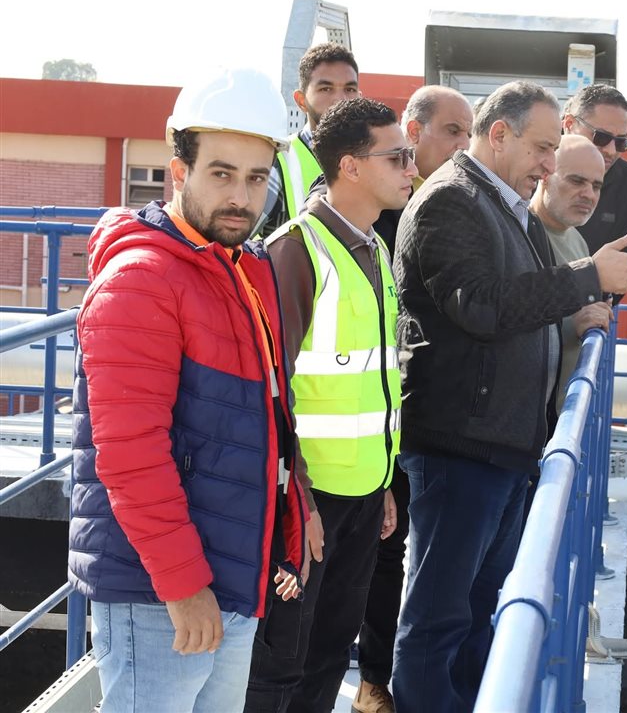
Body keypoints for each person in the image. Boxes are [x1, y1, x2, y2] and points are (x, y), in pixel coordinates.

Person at [391, 80, 627, 713]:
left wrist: (574, 298)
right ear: (499, 134)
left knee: (479, 608)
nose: (548, 164)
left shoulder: (501, 205)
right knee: (438, 617)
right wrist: (588, 277)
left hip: (499, 445)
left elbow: (519, 303)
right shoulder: (452, 199)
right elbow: (482, 306)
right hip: (459, 445)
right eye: (541, 148)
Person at [68, 67, 308, 713]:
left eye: (256, 178)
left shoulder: (245, 269)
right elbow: (130, 453)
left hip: (230, 574)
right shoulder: (141, 279)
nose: (241, 197)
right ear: (179, 171)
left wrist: (296, 510)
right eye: (221, 174)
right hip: (161, 592)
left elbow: (266, 417)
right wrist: (182, 584)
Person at [244, 98, 414, 713]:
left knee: (330, 652)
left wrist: (384, 483)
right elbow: (270, 392)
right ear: (351, 166)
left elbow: (377, 382)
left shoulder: (376, 251)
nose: (411, 168)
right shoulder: (296, 251)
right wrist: (301, 502)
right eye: (397, 157)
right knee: (281, 666)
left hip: (364, 494)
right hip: (309, 503)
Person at [351, 85, 474, 713]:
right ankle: (373, 683)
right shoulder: (379, 211)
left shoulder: (457, 204)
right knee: (378, 555)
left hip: (417, 409)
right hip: (366, 416)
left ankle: (385, 679)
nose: (462, 145)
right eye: (453, 131)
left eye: (469, 133)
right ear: (414, 130)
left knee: (407, 554)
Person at [529, 134, 614, 410]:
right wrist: (574, 325)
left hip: (561, 413)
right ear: (544, 176)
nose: (589, 194)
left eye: (596, 185)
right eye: (576, 181)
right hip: (534, 414)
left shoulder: (576, 239)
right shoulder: (521, 235)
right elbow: (504, 316)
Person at [256, 43, 361, 237]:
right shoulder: (278, 161)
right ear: (301, 101)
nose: (340, 99)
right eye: (326, 89)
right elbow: (237, 240)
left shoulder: (374, 160)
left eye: (349, 89)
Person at [564, 84, 627, 257]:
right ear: (569, 125)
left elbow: (625, 258)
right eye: (601, 137)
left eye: (621, 142)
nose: (611, 150)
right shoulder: (533, 167)